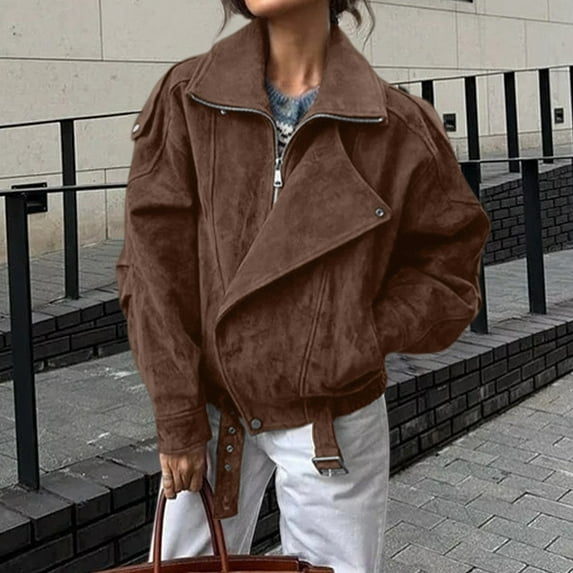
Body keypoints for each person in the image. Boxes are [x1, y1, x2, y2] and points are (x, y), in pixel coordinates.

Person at [115, 1, 491, 571]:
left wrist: (357, 334)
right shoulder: (190, 97)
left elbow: (449, 268)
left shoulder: (395, 124)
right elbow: (152, 272)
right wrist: (177, 416)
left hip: (331, 415)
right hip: (213, 407)